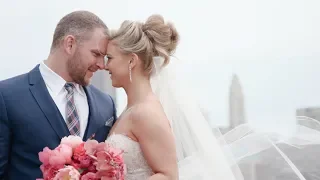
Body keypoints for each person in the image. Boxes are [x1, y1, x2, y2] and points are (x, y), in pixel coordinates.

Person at [105, 14, 320, 180]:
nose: (105, 66)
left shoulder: (146, 113)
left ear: (132, 61)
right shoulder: (130, 109)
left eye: (110, 58)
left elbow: (169, 176)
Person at [0, 10, 117, 180]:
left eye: (104, 57)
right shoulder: (7, 96)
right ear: (70, 44)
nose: (101, 65)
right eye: (96, 54)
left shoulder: (106, 104)